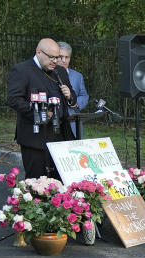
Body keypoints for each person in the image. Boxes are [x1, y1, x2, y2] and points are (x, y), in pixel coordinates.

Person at [6, 38, 77, 179]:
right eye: (51, 57)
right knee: (37, 184)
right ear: (39, 52)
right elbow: (14, 99)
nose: (55, 61)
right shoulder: (22, 70)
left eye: (57, 57)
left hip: (60, 137)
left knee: (60, 183)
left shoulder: (60, 71)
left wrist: (70, 96)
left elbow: (72, 97)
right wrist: (40, 114)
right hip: (35, 140)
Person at [56, 42, 88, 139]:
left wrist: (75, 103)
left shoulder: (77, 76)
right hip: (54, 125)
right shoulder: (46, 74)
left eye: (67, 57)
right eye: (60, 57)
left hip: (73, 124)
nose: (64, 60)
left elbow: (84, 95)